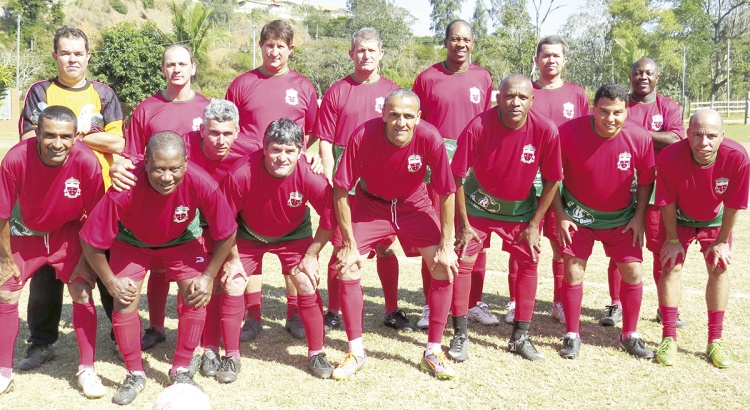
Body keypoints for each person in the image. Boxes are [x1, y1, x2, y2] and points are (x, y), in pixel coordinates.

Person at [80, 132, 237, 405]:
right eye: (158, 169)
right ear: (145, 161)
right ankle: (135, 372)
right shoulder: (125, 186)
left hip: (181, 241)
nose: (167, 177)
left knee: (196, 293)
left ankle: (182, 367)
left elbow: (227, 232)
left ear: (186, 162)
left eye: (175, 168)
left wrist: (209, 275)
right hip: (132, 243)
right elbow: (90, 240)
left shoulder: (201, 182)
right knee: (124, 298)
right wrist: (110, 281)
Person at [110, 99, 260, 382]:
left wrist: (309, 159)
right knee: (168, 271)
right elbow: (152, 161)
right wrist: (119, 166)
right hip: (183, 217)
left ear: (237, 131)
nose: (220, 140)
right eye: (213, 133)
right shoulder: (182, 149)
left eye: (227, 134)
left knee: (217, 281)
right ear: (201, 130)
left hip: (223, 216)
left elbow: (284, 155)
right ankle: (161, 331)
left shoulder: (251, 148)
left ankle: (213, 348)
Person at [16, 25, 122, 372]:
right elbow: (32, 138)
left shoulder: (104, 94)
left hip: (97, 199)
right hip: (50, 201)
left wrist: (71, 135)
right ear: (55, 56)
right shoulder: (39, 92)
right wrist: (90, 135)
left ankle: (121, 339)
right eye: (66, 52)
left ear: (88, 57)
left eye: (79, 53)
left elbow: (117, 143)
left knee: (104, 269)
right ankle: (41, 343)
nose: (72, 59)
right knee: (47, 279)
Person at [332, 89, 458, 380]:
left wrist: (447, 244)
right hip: (370, 205)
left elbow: (447, 190)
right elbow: (341, 189)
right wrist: (349, 244)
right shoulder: (362, 136)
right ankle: (355, 351)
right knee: (348, 267)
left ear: (418, 118)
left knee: (443, 266)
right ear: (383, 115)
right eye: (394, 115)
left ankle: (433, 351)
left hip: (413, 205)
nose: (401, 122)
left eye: (408, 116)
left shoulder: (430, 137)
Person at [452, 73, 562, 362]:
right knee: (463, 262)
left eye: (522, 97)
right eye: (509, 96)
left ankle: (520, 337)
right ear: (498, 98)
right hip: (478, 206)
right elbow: (457, 176)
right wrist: (462, 224)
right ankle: (460, 334)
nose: (515, 102)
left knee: (529, 261)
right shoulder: (478, 125)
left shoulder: (545, 129)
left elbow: (552, 179)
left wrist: (536, 224)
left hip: (520, 211)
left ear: (532, 100)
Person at [0, 106, 106, 398]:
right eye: (49, 136)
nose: (57, 143)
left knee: (82, 292)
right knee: (6, 293)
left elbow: (97, 215)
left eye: (64, 136)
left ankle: (87, 369)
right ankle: (3, 373)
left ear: (75, 137)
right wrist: (5, 260)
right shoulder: (16, 158)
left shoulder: (86, 160)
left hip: (68, 234)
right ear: (37, 132)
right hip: (27, 235)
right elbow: (2, 215)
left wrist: (86, 259)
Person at [222, 118, 336, 379]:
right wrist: (233, 259)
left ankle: (316, 353)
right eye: (275, 149)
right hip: (248, 234)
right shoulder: (242, 172)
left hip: (293, 236)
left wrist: (310, 256)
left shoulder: (310, 175)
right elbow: (224, 221)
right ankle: (230, 356)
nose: (282, 157)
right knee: (233, 283)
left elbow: (330, 220)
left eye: (289, 151)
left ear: (301, 151)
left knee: (307, 282)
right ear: (264, 148)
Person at [226, 19, 319, 339]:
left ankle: (294, 313)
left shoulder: (304, 86)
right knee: (250, 245)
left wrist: (313, 155)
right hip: (250, 175)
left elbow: (313, 132)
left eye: (281, 46)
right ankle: (253, 315)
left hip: (287, 174)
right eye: (269, 45)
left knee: (291, 242)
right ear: (261, 46)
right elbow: (229, 128)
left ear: (290, 49)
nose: (274, 51)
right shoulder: (241, 84)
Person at [553, 84, 655, 360]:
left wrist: (638, 218)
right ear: (593, 108)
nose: (610, 119)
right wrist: (561, 215)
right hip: (578, 218)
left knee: (633, 273)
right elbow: (552, 178)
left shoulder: (640, 137)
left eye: (617, 113)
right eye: (604, 111)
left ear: (626, 111)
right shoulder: (568, 132)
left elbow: (646, 183)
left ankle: (630, 334)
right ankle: (572, 334)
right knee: (573, 272)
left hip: (621, 220)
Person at [315, 27, 407, 333]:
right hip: (347, 182)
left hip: (380, 183)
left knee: (384, 247)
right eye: (360, 50)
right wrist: (331, 178)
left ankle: (392, 309)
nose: (366, 55)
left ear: (381, 54)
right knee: (341, 246)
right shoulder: (338, 91)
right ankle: (333, 310)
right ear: (351, 54)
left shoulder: (394, 92)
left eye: (371, 50)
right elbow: (325, 140)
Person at [123, 44, 211, 352]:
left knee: (196, 270)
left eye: (182, 63)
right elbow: (132, 156)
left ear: (193, 67)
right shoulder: (146, 109)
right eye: (170, 64)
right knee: (158, 265)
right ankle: (157, 327)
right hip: (157, 199)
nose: (176, 69)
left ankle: (199, 336)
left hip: (197, 201)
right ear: (162, 69)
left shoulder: (207, 108)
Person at [412, 19, 495, 331]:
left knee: (475, 233)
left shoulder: (483, 77)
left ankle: (475, 303)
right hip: (438, 169)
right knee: (435, 234)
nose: (461, 45)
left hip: (475, 171)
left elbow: (488, 123)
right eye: (455, 39)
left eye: (466, 40)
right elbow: (417, 123)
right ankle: (429, 304)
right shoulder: (427, 78)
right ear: (445, 42)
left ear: (473, 44)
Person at [654, 109, 749, 368]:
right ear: (687, 134)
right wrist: (672, 240)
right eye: (697, 134)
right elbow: (666, 201)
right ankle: (669, 337)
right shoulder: (671, 156)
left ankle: (715, 340)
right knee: (670, 266)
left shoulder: (737, 156)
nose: (703, 143)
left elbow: (734, 204)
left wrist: (721, 241)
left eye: (711, 136)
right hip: (679, 218)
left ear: (722, 136)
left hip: (715, 221)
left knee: (719, 268)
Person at [601, 57, 687, 328]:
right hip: (623, 188)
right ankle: (615, 304)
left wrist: (636, 132)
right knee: (623, 250)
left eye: (648, 73)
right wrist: (651, 134)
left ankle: (665, 307)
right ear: (631, 76)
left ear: (657, 77)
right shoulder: (621, 103)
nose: (643, 77)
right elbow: (609, 129)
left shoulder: (668, 106)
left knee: (661, 250)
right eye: (638, 72)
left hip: (659, 190)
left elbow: (675, 138)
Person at [521, 35, 589, 325]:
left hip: (564, 180)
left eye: (556, 55)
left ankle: (559, 302)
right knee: (524, 238)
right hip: (528, 175)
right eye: (545, 55)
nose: (550, 60)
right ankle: (517, 301)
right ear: (536, 60)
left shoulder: (577, 93)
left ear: (565, 60)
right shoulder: (525, 91)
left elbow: (586, 133)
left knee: (560, 242)